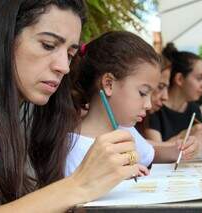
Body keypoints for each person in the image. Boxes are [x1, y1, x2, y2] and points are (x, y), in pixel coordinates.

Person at [0, 1, 140, 211]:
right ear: (4, 37)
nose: (63, 67)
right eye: (48, 45)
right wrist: (79, 185)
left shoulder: (34, 114)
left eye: (70, 54)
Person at [66, 31, 161, 175]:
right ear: (109, 84)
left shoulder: (124, 130)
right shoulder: (73, 148)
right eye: (142, 93)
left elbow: (149, 156)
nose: (148, 104)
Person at [146, 43, 202, 157]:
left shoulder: (195, 109)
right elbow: (152, 152)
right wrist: (186, 135)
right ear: (179, 79)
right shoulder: (153, 108)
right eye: (199, 78)